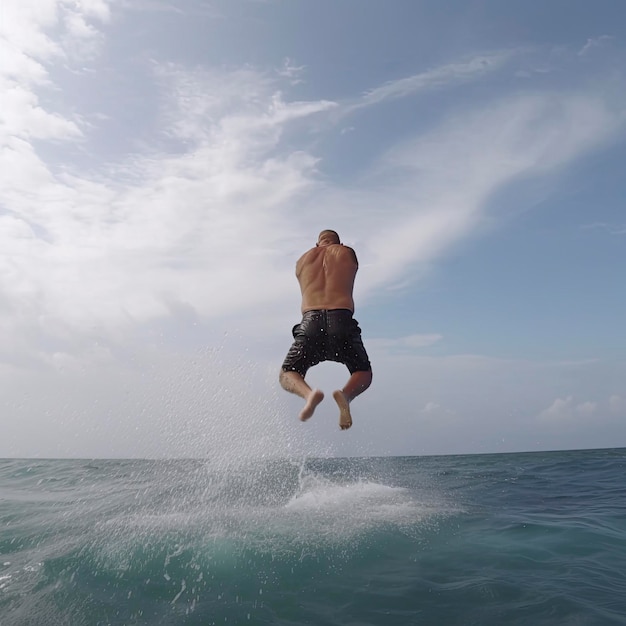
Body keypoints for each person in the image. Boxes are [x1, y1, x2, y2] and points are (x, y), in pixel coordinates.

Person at [280, 229, 372, 429]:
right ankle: (345, 396)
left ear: (316, 244)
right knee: (363, 372)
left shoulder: (302, 261)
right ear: (339, 243)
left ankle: (309, 394)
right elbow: (349, 263)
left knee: (288, 373)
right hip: (342, 320)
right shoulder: (346, 253)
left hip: (310, 322)